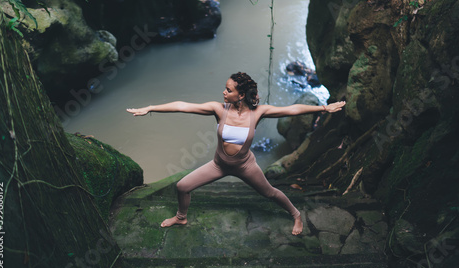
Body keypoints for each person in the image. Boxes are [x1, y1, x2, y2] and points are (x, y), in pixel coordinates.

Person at [126, 72, 345, 235]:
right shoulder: (218, 109)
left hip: (245, 166)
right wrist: (151, 108)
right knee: (182, 186)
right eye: (225, 88)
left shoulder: (259, 112)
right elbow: (183, 105)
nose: (224, 92)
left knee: (270, 193)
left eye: (228, 90)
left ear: (240, 95)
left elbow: (292, 109)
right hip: (218, 165)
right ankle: (181, 217)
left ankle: (296, 215)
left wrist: (324, 109)